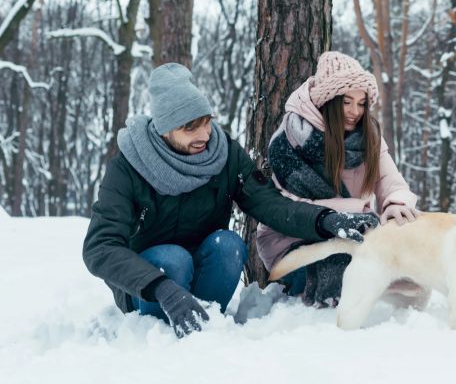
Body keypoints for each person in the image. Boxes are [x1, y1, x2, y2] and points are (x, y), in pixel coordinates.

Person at [82, 63, 375, 338]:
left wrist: (325, 219)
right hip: (149, 286)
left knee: (229, 245)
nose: (204, 135)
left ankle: (207, 328)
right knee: (173, 258)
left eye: (207, 123)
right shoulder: (129, 168)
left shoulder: (223, 154)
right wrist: (160, 288)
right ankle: (162, 337)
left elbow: (269, 203)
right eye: (190, 127)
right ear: (164, 129)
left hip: (204, 267)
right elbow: (100, 247)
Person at [256, 51, 419, 308]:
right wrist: (354, 212)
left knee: (411, 264)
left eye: (362, 103)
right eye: (346, 102)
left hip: (352, 234)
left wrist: (396, 203)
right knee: (348, 268)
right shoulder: (292, 139)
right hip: (292, 242)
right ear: (329, 100)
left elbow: (390, 180)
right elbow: (289, 204)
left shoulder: (369, 136)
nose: (355, 111)